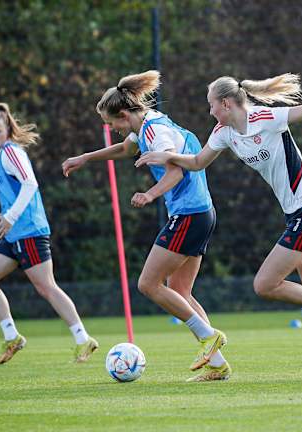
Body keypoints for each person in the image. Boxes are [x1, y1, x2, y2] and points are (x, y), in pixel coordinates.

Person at [135, 74, 302, 376]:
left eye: (211, 105)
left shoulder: (265, 118)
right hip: (300, 213)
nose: (210, 111)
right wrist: (168, 156)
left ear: (226, 104)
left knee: (265, 284)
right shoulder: (224, 133)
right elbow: (198, 162)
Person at [61, 70, 230, 382]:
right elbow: (126, 150)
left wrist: (150, 194)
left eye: (111, 124)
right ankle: (217, 365)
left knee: (148, 284)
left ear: (124, 115)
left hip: (189, 215)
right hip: (200, 213)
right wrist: (85, 157)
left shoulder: (156, 133)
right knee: (180, 291)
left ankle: (209, 337)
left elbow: (177, 172)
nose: (112, 130)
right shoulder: (148, 122)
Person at [0, 103, 98, 366]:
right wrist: (5, 214)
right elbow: (16, 191)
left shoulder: (10, 152)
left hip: (29, 231)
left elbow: (30, 183)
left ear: (7, 130)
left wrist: (10, 217)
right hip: (14, 234)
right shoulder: (1, 154)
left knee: (46, 287)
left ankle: (83, 339)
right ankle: (12, 338)